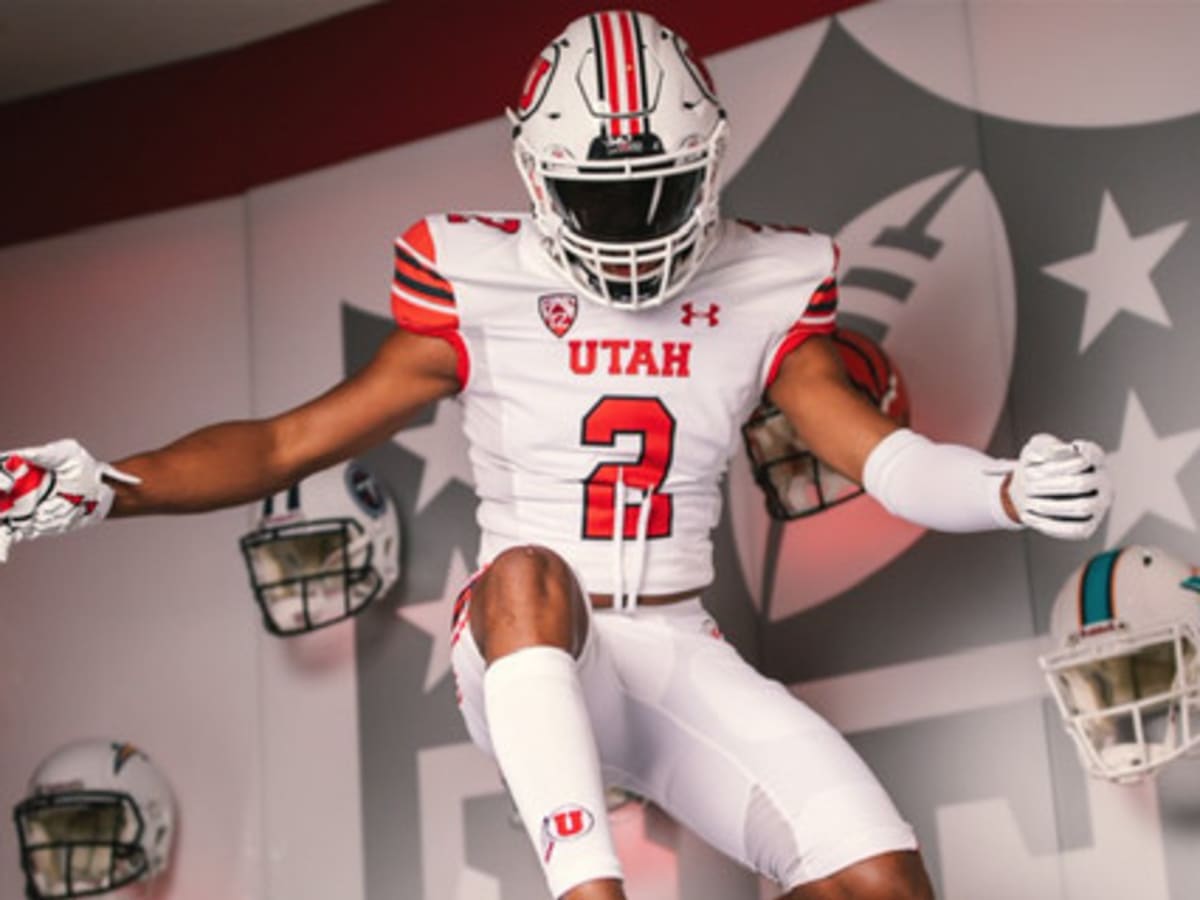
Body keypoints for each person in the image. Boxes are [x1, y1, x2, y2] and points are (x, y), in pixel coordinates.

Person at [0, 10, 1111, 899]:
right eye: (600, 200)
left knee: (881, 880)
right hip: (526, 644)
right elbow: (288, 439)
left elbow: (880, 457)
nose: (634, 230)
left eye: (660, 192)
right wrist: (106, 485)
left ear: (710, 163)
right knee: (528, 570)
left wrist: (1005, 488)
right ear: (536, 178)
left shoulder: (767, 280)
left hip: (679, 647)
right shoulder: (481, 282)